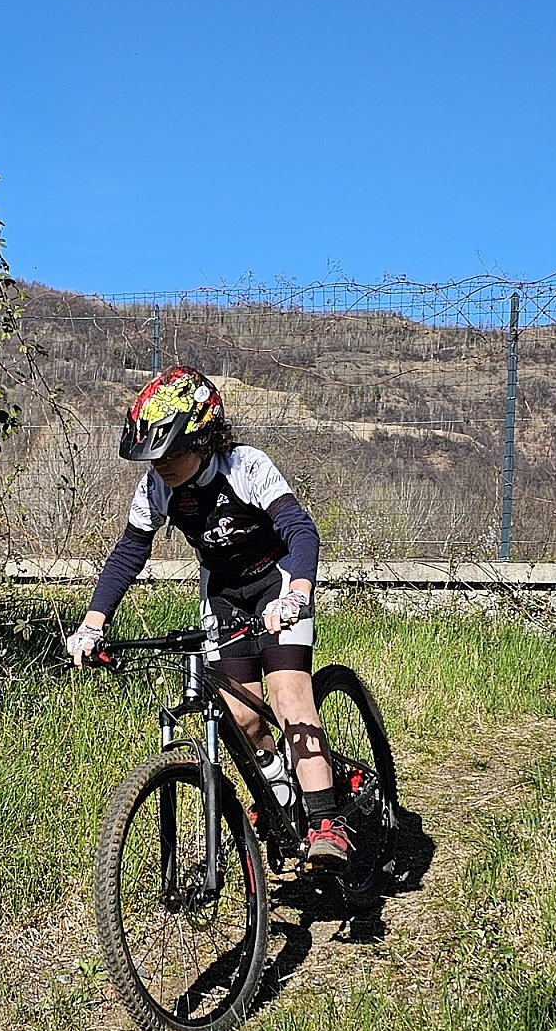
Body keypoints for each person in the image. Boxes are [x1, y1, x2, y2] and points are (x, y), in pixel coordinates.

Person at [66, 365, 352, 870]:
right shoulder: (156, 489)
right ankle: (282, 798)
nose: (159, 464)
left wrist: (297, 595)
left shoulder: (246, 466)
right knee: (242, 717)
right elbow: (128, 554)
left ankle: (327, 822)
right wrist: (93, 623)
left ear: (203, 439)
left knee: (288, 698)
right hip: (223, 593)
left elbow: (301, 531)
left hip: (278, 580)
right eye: (152, 455)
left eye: (170, 452)